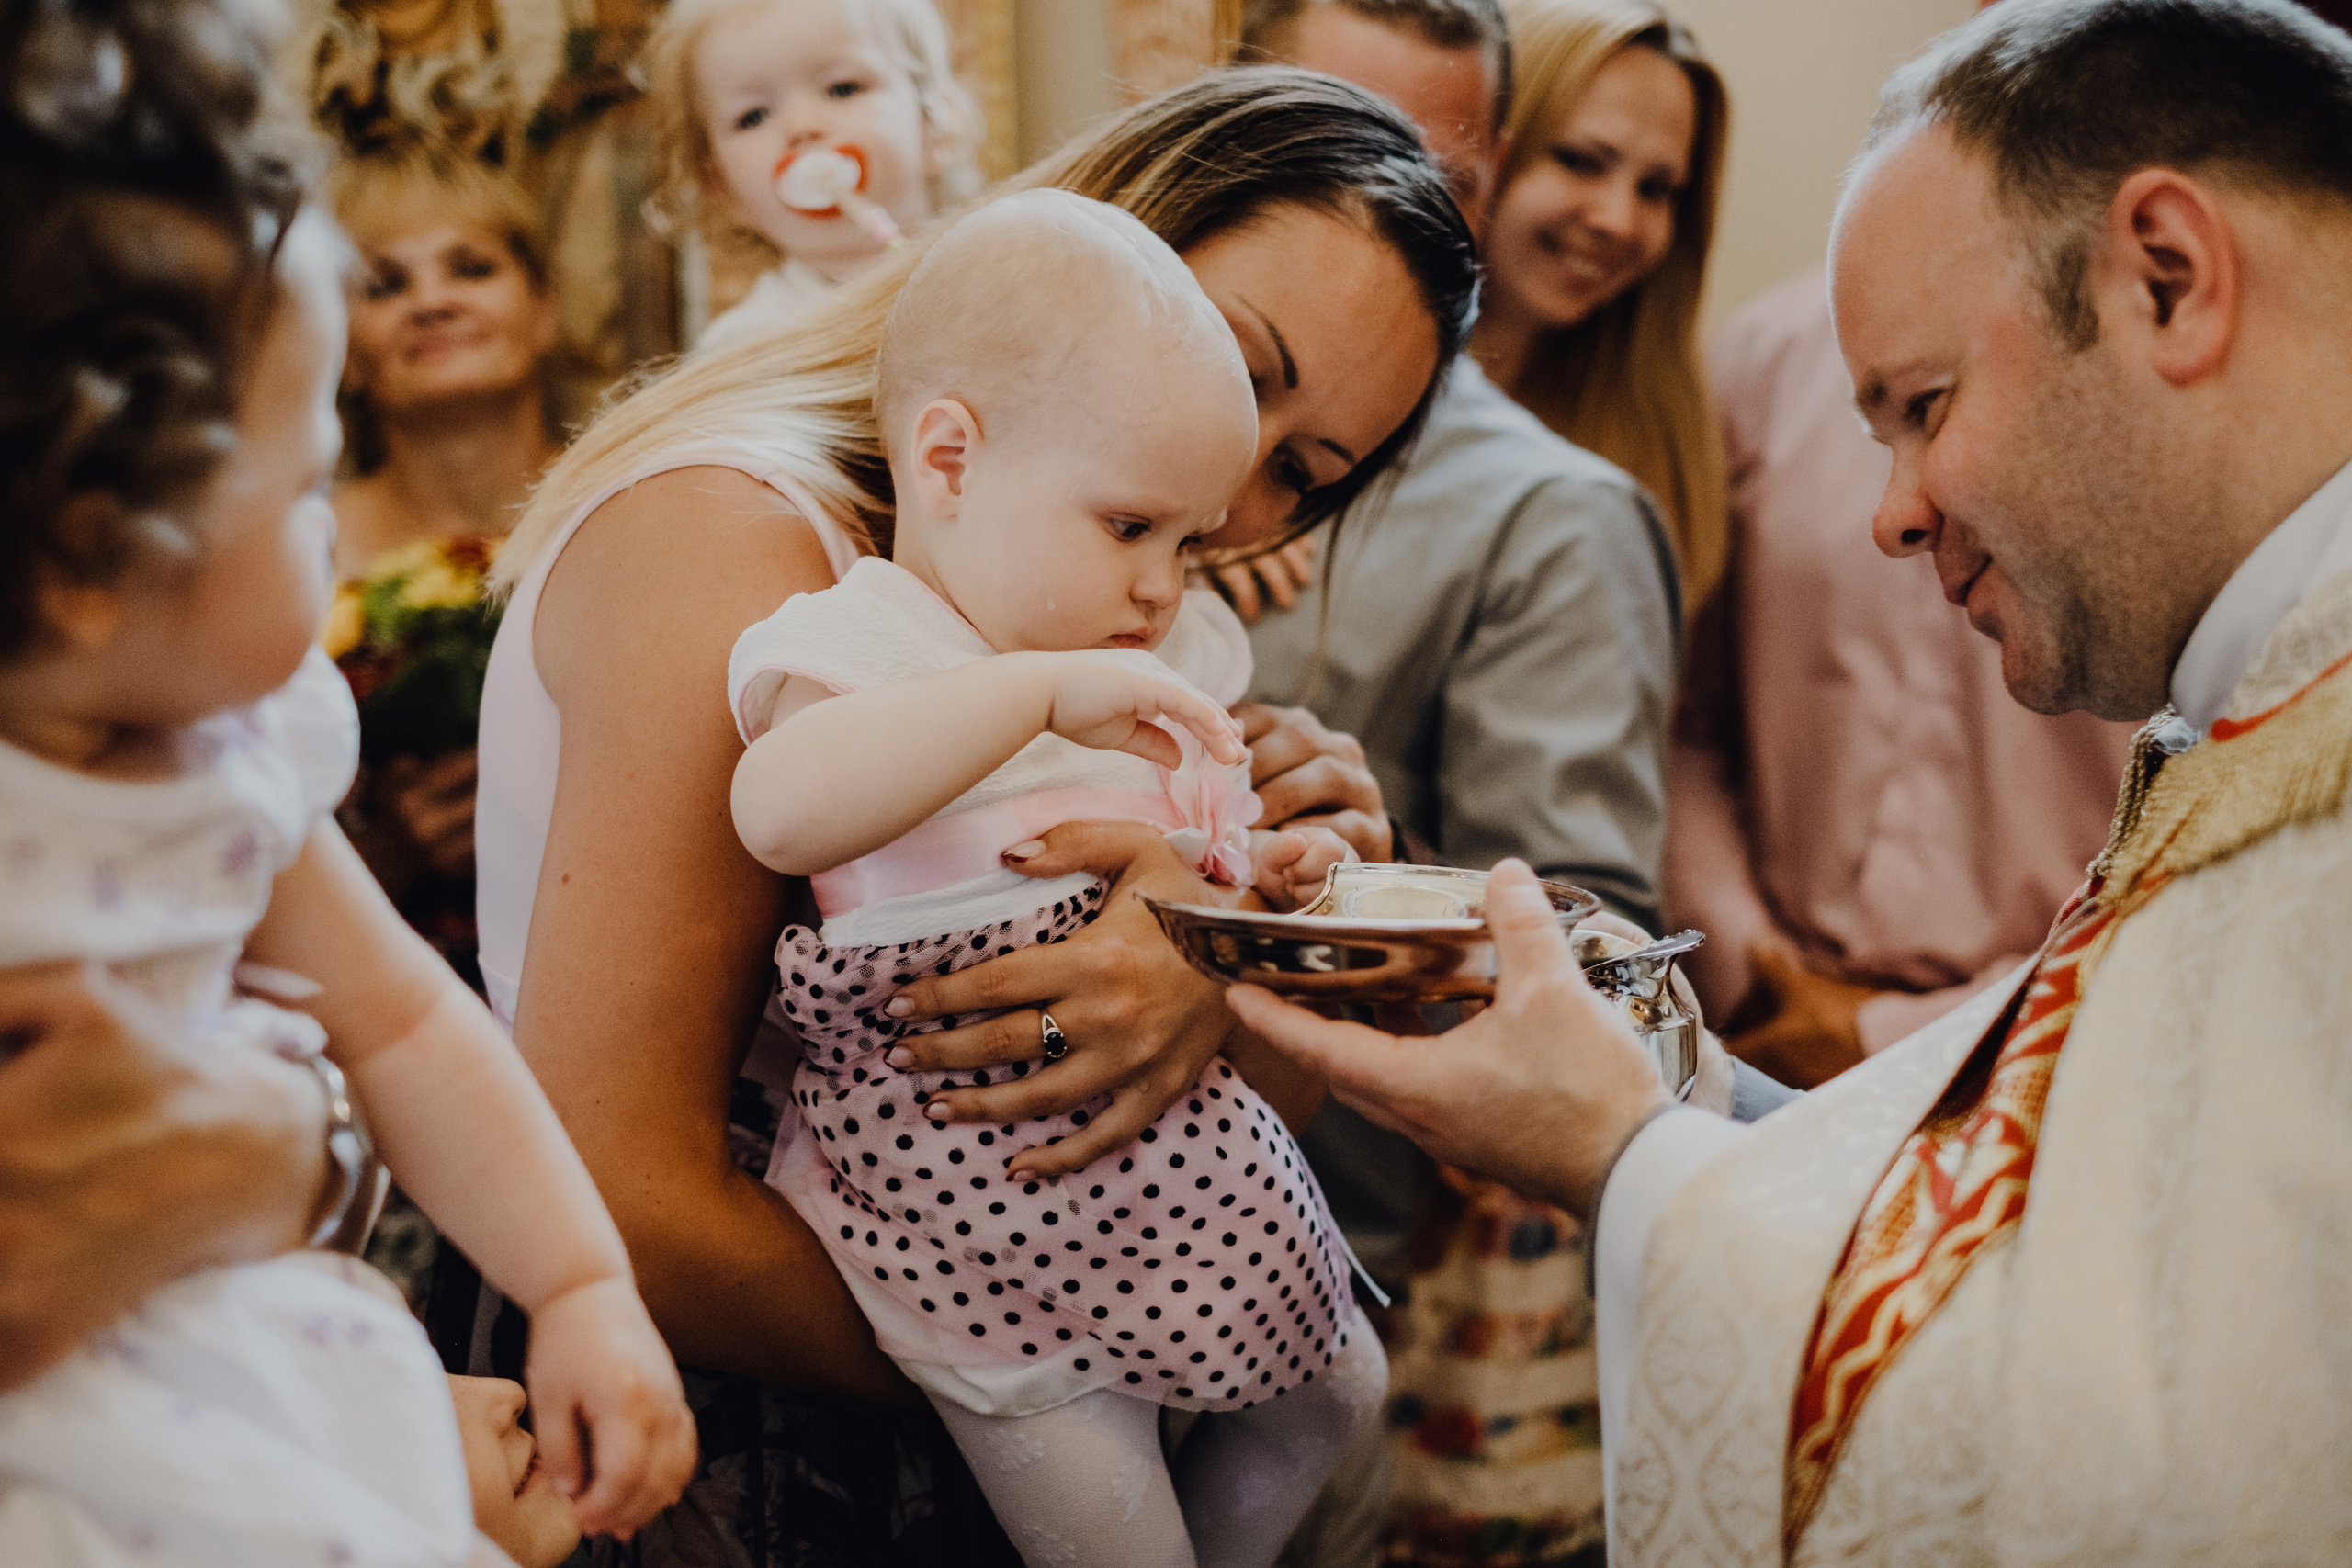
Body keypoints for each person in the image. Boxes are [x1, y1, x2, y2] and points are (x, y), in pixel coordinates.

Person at [1232, 1, 2352, 1562]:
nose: (1890, 514)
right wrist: (1653, 1098)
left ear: (2166, 277)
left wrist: (1624, 1159)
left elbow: (2180, 1476)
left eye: (1926, 404)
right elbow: (2024, 1201)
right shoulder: (2266, 699)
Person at [472, 68, 1476, 1565]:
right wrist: (1060, 1368)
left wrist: (1258, 935)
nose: (1228, 475)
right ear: (1097, 238)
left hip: (1008, 1361)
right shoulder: (743, 541)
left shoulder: (1099, 609)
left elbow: (1227, 1112)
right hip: (716, 1403)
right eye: (1244, 362)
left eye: (1300, 474)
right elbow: (621, 1192)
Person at [0, 0, 695, 1552]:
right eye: (307, 484)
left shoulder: (231, 763)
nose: (332, 529)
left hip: (243, 1365)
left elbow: (403, 1018)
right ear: (98, 566)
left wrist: (578, 1283)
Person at [731, 189, 1378, 1568]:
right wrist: (1029, 692)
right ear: (949, 460)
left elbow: (1191, 866)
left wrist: (1267, 871)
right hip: (979, 1193)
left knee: (1349, 1395)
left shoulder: (1126, 659)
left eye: (1191, 543)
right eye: (1131, 526)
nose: (1163, 585)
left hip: (1171, 1164)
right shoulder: (867, 635)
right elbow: (778, 808)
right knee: (1104, 1519)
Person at [1666, 254, 2136, 1091]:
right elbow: (1685, 716)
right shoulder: (1765, 357)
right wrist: (1749, 966)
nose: (1898, 521)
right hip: (1746, 1027)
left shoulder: (2152, 391)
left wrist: (1885, 1034)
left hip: (2048, 1054)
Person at [327, 145, 560, 993]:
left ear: (545, 307)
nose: (432, 301)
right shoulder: (298, 551)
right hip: (379, 985)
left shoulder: (631, 503)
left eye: (470, 267)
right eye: (384, 285)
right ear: (343, 350)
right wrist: (388, 847)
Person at [1467, 0, 1729, 612]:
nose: (1619, 220)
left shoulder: (1665, 458)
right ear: (1488, 152)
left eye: (1657, 189)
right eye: (1580, 161)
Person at [640, 0, 982, 352]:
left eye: (843, 88)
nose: (801, 127)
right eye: (754, 116)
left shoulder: (992, 285)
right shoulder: (745, 349)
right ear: (723, 190)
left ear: (935, 124)